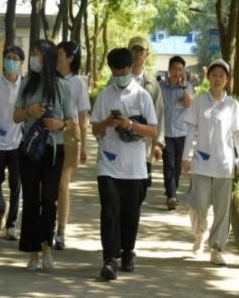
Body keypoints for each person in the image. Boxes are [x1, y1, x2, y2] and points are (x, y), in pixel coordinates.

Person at [91, 48, 158, 281]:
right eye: (115, 72)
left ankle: (127, 251)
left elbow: (152, 130)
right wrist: (107, 122)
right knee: (109, 211)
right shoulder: (104, 96)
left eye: (123, 71)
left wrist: (130, 124)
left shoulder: (142, 96)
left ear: (131, 68)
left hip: (135, 167)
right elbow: (95, 129)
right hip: (108, 163)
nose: (119, 75)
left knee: (130, 212)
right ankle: (109, 259)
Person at [13, 39, 73, 271]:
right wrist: (29, 111)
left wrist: (60, 124)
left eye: (37, 54)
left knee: (49, 200)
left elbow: (71, 121)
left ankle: (47, 246)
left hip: (53, 149)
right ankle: (32, 253)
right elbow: (15, 116)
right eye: (33, 54)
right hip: (30, 149)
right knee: (30, 200)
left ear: (47, 58)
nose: (34, 59)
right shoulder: (26, 83)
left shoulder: (62, 85)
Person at [182, 59, 239, 266]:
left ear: (227, 80)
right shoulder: (199, 102)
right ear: (208, 77)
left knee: (222, 209)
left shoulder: (233, 105)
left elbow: (237, 135)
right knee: (198, 205)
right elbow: (191, 131)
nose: (217, 79)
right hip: (201, 162)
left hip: (224, 164)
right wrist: (186, 157)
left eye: (221, 76)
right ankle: (199, 233)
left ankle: (217, 248)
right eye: (214, 75)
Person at [54, 41, 90, 250]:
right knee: (47, 184)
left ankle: (61, 231)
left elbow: (83, 116)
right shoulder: (50, 78)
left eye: (60, 54)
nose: (57, 58)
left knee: (62, 184)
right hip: (49, 131)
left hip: (69, 134)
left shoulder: (78, 83)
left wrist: (83, 145)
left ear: (70, 58)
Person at [0, 45, 25, 240]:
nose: (11, 62)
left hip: (18, 142)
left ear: (21, 63)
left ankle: (11, 224)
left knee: (16, 185)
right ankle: (1, 208)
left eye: (15, 59)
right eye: (8, 58)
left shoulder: (25, 86)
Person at [128, 36, 165, 187]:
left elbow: (159, 113)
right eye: (134, 50)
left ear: (147, 54)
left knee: (140, 189)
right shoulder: (117, 80)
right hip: (121, 145)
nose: (137, 54)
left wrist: (158, 143)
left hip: (145, 146)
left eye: (141, 50)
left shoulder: (152, 84)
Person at [160, 55, 193, 210]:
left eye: (180, 70)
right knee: (169, 164)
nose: (177, 72)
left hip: (181, 133)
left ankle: (172, 191)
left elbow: (189, 104)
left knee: (177, 166)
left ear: (183, 72)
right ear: (169, 70)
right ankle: (171, 195)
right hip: (166, 132)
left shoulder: (187, 87)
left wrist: (183, 87)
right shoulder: (161, 87)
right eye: (174, 69)